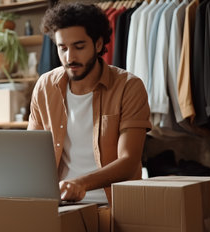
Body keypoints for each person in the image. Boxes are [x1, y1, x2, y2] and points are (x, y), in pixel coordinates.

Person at [28, 2, 151, 204]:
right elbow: (30, 153)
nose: (70, 57)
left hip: (114, 204)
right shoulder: (45, 86)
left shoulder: (129, 87)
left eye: (79, 46)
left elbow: (129, 161)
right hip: (60, 204)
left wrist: (81, 184)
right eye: (63, 48)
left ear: (99, 44)